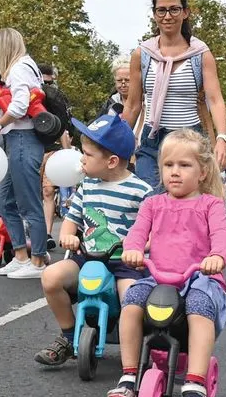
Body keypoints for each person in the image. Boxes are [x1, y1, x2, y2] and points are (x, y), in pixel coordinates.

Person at [107, 129, 226, 397]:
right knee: (132, 299)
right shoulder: (153, 204)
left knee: (200, 304)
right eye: (168, 165)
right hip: (157, 276)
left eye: (184, 165)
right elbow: (136, 233)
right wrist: (133, 250)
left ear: (202, 172)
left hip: (197, 277)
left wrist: (216, 257)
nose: (175, 172)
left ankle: (195, 385)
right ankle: (128, 376)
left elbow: (222, 238)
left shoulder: (210, 205)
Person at [32, 112, 152, 363]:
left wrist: (139, 247)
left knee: (131, 297)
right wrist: (67, 236)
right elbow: (72, 220)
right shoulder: (87, 186)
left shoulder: (141, 191)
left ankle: (136, 349)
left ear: (111, 161)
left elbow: (155, 231)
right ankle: (67, 335)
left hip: (124, 264)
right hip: (87, 257)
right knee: (51, 277)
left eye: (87, 155)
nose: (81, 160)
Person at [122, 0, 226, 187]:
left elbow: (215, 100)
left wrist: (222, 138)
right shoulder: (142, 54)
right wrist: (116, 140)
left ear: (185, 12)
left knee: (184, 205)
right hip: (152, 140)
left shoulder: (201, 54)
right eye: (161, 10)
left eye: (174, 9)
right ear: (154, 14)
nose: (168, 16)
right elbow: (133, 105)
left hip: (189, 140)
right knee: (149, 198)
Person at [0, 28, 50, 273]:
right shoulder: (29, 66)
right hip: (19, 138)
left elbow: (20, 105)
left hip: (23, 137)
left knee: (29, 202)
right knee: (5, 201)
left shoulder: (19, 69)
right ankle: (21, 255)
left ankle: (38, 259)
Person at [39, 63, 74, 249]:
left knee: (48, 191)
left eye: (50, 82)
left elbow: (63, 128)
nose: (47, 87)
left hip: (52, 150)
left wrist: (67, 152)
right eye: (44, 82)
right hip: (33, 148)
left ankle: (46, 233)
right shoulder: (28, 97)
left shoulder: (56, 100)